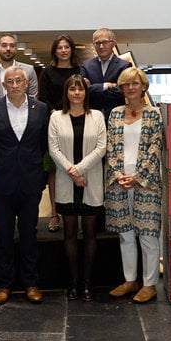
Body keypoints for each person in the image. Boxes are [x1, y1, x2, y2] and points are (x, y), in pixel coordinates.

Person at [0, 66, 49, 305]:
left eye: (18, 80)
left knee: (30, 234)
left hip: (31, 180)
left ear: (26, 82)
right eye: (9, 82)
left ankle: (31, 283)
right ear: (3, 85)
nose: (14, 85)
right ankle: (4, 284)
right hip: (2, 181)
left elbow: (43, 145)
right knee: (4, 235)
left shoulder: (41, 109)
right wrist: (4, 164)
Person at [105, 67, 164, 304]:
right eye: (126, 84)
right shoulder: (115, 114)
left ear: (143, 87)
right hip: (118, 181)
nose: (131, 88)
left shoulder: (154, 115)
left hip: (146, 183)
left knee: (148, 235)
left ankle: (150, 284)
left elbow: (155, 147)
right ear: (121, 88)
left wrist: (137, 177)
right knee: (125, 234)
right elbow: (110, 146)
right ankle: (130, 280)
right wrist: (120, 174)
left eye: (135, 84)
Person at [48, 74, 107, 302]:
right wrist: (72, 173)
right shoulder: (56, 118)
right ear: (66, 93)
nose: (76, 93)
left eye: (80, 89)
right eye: (71, 89)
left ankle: (87, 284)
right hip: (67, 181)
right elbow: (53, 149)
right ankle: (73, 283)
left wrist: (80, 170)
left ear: (85, 92)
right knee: (70, 234)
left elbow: (101, 148)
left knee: (91, 234)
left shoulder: (97, 116)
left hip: (90, 181)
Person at [38, 34, 82, 234]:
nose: (63, 50)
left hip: (79, 123)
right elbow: (43, 98)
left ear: (72, 49)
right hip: (55, 123)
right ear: (54, 51)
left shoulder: (80, 71)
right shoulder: (47, 72)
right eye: (60, 47)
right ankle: (55, 213)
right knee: (54, 170)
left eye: (67, 47)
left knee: (76, 167)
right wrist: (55, 113)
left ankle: (76, 212)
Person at [80, 27, 130, 121]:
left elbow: (122, 91)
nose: (101, 46)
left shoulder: (124, 66)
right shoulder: (86, 65)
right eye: (98, 43)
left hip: (117, 117)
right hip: (91, 117)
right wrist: (107, 86)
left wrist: (93, 88)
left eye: (105, 42)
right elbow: (82, 90)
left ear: (113, 43)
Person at [0, 33, 39, 109]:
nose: (8, 49)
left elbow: (33, 98)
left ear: (16, 50)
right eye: (4, 45)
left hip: (23, 118)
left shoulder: (29, 70)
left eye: (12, 46)